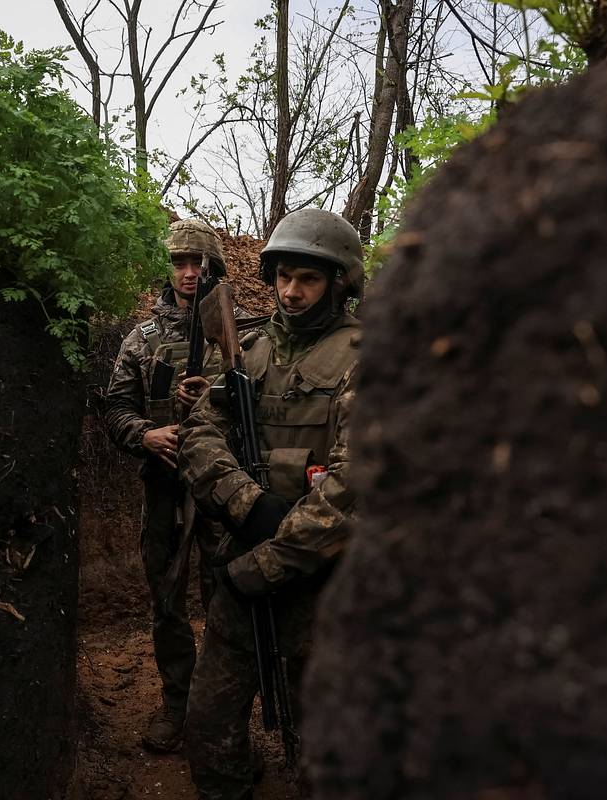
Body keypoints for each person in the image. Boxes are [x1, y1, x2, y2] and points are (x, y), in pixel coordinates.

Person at [178, 208, 363, 799]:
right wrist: (246, 503)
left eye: (307, 278)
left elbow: (356, 483)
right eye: (283, 276)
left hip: (324, 580)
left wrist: (272, 559)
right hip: (246, 554)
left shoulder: (368, 358)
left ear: (339, 282)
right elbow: (201, 434)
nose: (291, 291)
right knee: (208, 723)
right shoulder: (247, 351)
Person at [103, 218, 233, 753]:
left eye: (197, 262)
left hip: (223, 494)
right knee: (167, 602)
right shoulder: (144, 337)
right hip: (163, 489)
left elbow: (265, 412)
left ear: (213, 267)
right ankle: (177, 704)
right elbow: (114, 408)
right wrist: (146, 433)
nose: (187, 272)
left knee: (227, 604)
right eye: (179, 262)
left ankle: (222, 722)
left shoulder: (240, 336)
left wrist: (217, 396)